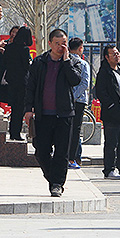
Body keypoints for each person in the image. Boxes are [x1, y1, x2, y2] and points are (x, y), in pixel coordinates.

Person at [23, 29, 81, 198]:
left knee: (62, 152)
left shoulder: (73, 62)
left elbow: (75, 80)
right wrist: (28, 109)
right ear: (50, 44)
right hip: (43, 115)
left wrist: (66, 61)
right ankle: (53, 178)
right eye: (57, 43)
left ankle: (57, 184)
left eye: (64, 43)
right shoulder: (39, 62)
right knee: (41, 151)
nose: (61, 47)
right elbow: (30, 86)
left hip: (64, 114)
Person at [95, 45, 120, 179]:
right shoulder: (104, 73)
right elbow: (100, 92)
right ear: (107, 57)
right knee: (111, 143)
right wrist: (111, 105)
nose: (117, 56)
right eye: (113, 54)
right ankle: (109, 169)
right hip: (111, 114)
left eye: (117, 53)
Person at [3, 26, 33, 141]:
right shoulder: (24, 49)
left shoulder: (9, 48)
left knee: (14, 107)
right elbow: (26, 66)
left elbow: (5, 63)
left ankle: (12, 132)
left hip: (11, 81)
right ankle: (16, 133)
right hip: (22, 82)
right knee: (19, 109)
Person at [67, 37, 90, 168]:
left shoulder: (64, 61)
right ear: (80, 48)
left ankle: (67, 156)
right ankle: (72, 158)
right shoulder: (83, 64)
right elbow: (84, 83)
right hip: (79, 101)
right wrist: (74, 97)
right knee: (75, 130)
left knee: (65, 128)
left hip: (66, 100)